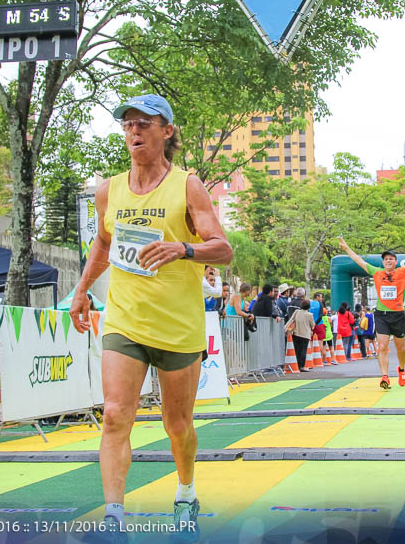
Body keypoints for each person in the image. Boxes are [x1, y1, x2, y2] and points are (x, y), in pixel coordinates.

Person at [68, 93, 232, 541]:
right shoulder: (109, 190)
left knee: (176, 425)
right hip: (125, 320)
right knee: (117, 413)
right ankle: (114, 519)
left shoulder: (187, 186)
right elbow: (102, 244)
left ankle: (185, 491)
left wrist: (182, 248)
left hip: (178, 326)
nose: (134, 132)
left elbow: (223, 248)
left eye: (144, 123)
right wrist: (81, 290)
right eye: (128, 125)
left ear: (167, 131)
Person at [339, 235, 405, 389]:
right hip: (381, 315)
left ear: (395, 262)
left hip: (397, 315)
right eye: (386, 259)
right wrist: (347, 248)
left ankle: (401, 369)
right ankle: (385, 377)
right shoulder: (377, 273)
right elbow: (360, 261)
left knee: (400, 348)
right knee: (382, 347)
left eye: (391, 259)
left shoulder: (402, 272)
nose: (388, 261)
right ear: (383, 263)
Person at [285, 299, 315, 372]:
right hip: (305, 335)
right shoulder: (309, 315)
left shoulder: (296, 312)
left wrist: (285, 327)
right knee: (303, 350)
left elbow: (291, 320)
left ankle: (296, 365)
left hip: (296, 333)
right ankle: (302, 366)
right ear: (309, 307)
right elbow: (313, 325)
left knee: (297, 350)